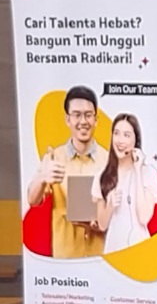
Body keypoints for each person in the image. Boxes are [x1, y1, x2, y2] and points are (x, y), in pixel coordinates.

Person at [26, 86, 108, 259]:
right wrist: (42, 178)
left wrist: (101, 222)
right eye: (77, 115)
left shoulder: (108, 160)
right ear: (67, 119)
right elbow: (33, 200)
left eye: (88, 115)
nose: (83, 121)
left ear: (96, 120)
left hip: (100, 257)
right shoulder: (54, 157)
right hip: (65, 257)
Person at [92, 114, 157, 254]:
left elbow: (144, 218)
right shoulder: (102, 176)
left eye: (127, 135)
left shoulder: (148, 174)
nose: (120, 141)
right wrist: (110, 206)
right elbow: (102, 225)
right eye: (116, 133)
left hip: (141, 250)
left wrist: (138, 170)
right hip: (113, 249)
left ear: (136, 140)